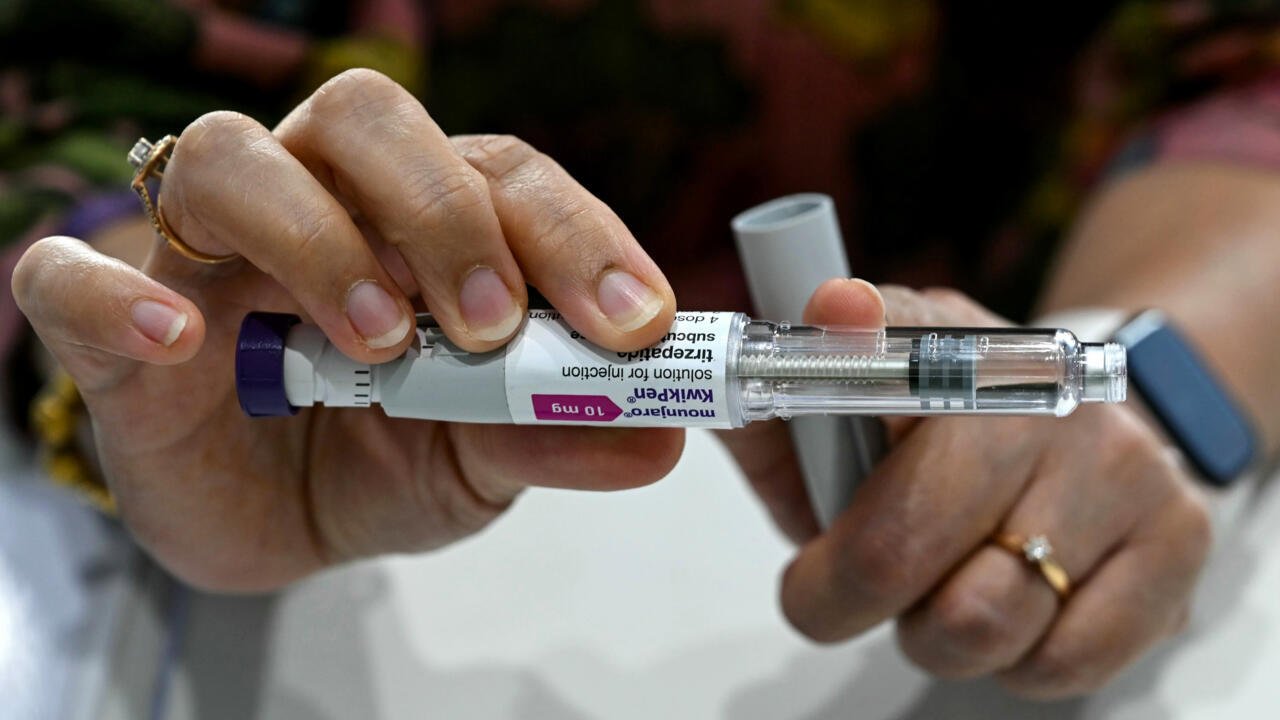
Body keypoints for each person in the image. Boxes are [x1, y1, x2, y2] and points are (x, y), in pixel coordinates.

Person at [7, 0, 1280, 702]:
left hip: (998, 410)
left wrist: (1155, 380)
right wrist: (151, 357)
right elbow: (74, 72)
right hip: (345, 543)